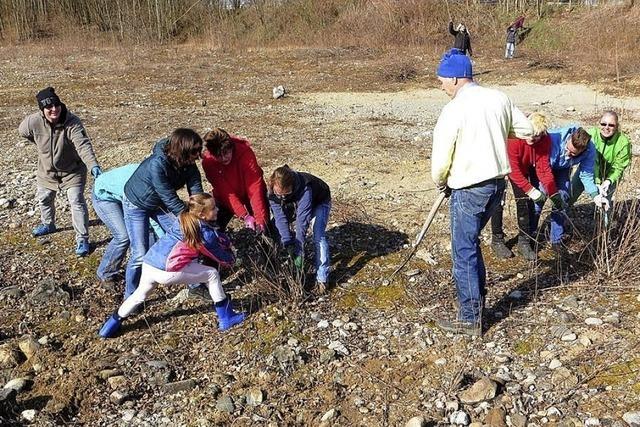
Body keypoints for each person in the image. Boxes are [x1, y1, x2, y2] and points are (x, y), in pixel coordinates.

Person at [431, 48, 533, 337]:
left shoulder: (454, 109)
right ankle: (476, 305)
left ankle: (470, 318)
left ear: (454, 79)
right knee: (472, 245)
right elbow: (526, 129)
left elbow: (440, 160)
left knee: (463, 251)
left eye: (441, 81)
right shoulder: (498, 98)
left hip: (469, 188)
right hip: (497, 185)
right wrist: (497, 130)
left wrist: (441, 182)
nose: (440, 86)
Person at [98, 193, 246, 338]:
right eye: (213, 208)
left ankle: (109, 326)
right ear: (202, 215)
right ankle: (226, 318)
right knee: (212, 274)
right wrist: (231, 255)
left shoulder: (183, 219)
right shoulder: (203, 233)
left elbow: (210, 235)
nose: (217, 210)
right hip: (167, 270)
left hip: (150, 263)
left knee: (139, 294)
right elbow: (223, 259)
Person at [18, 87, 102, 257]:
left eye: (57, 105)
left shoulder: (72, 122)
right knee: (44, 198)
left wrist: (93, 165)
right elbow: (23, 131)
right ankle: (48, 224)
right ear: (42, 110)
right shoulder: (33, 122)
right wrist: (41, 147)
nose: (54, 109)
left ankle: (82, 238)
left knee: (76, 201)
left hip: (73, 171)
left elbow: (83, 145)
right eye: (49, 107)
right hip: (47, 172)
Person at [122, 128, 204, 299]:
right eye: (194, 151)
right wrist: (187, 217)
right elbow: (168, 196)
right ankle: (130, 295)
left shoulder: (188, 163)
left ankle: (195, 285)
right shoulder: (157, 164)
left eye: (199, 150)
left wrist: (200, 209)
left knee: (185, 236)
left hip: (158, 203)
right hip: (136, 204)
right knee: (139, 253)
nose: (198, 155)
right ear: (183, 150)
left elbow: (195, 185)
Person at [490, 112, 564, 261]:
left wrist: (553, 192)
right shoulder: (514, 138)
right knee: (497, 203)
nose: (532, 138)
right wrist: (530, 189)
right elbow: (514, 170)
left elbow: (543, 168)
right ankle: (497, 240)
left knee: (524, 202)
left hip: (523, 167)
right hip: (501, 165)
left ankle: (524, 242)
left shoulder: (544, 140)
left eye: (536, 136)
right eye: (530, 134)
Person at [92, 164, 164, 287]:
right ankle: (105, 273)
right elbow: (152, 219)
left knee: (147, 230)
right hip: (104, 196)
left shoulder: (156, 175)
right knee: (123, 236)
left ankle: (148, 268)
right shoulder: (142, 184)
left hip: (123, 195)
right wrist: (165, 240)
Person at [539, 126, 607, 247]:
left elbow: (586, 175)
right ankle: (531, 236)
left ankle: (556, 239)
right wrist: (551, 191)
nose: (567, 153)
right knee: (539, 198)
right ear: (568, 138)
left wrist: (595, 195)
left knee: (563, 198)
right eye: (567, 149)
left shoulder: (590, 150)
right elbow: (542, 166)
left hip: (563, 169)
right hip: (544, 168)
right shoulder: (553, 138)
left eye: (573, 153)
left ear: (583, 150)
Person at [268, 165, 331, 293]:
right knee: (274, 226)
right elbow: (280, 218)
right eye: (278, 194)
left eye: (285, 194)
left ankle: (322, 278)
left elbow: (302, 222)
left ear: (292, 187)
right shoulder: (272, 192)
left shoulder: (305, 189)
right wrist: (288, 242)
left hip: (320, 201)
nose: (281, 198)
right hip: (295, 202)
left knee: (318, 235)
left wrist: (299, 249)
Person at [201, 128, 270, 233]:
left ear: (231, 147)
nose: (224, 158)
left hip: (249, 193)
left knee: (264, 226)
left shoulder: (245, 153)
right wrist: (244, 215)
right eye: (218, 156)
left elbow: (254, 187)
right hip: (226, 198)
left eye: (226, 153)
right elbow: (226, 192)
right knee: (214, 227)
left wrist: (260, 219)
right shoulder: (208, 163)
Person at [572, 111, 631, 208]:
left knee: (605, 203)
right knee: (571, 194)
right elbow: (592, 162)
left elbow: (619, 167)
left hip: (610, 175)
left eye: (611, 125)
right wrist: (597, 182)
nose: (606, 128)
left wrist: (609, 180)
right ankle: (559, 215)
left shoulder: (624, 142)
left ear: (616, 127)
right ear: (599, 124)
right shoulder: (591, 135)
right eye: (603, 124)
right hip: (588, 171)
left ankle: (604, 222)